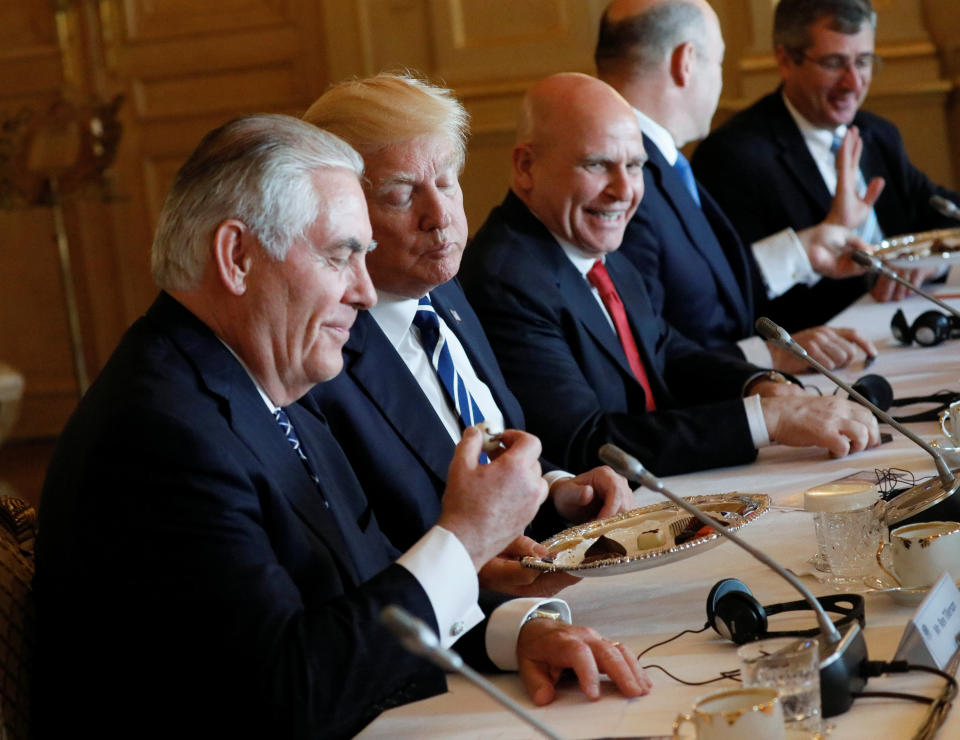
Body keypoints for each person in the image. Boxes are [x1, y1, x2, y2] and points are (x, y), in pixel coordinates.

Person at [32, 114, 651, 740]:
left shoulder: (263, 381)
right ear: (237, 256)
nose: (363, 290)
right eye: (341, 257)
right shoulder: (157, 433)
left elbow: (364, 589)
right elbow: (288, 693)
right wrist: (466, 539)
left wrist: (514, 630)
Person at [300, 73, 636, 597]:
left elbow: (491, 449)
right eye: (401, 194)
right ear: (342, 212)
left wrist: (558, 489)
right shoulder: (324, 355)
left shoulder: (444, 293)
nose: (440, 217)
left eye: (447, 182)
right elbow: (377, 548)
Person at [460, 72, 880, 477]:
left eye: (635, 165)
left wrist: (759, 385)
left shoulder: (590, 239)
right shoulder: (506, 278)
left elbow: (664, 352)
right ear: (526, 167)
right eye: (596, 165)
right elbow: (584, 444)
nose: (624, 190)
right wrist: (763, 420)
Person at [594, 0, 877, 373]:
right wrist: (769, 355)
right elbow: (648, 348)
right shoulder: (627, 177)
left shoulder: (659, 160)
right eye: (720, 62)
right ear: (687, 62)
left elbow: (694, 290)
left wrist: (801, 253)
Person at [692, 0, 960, 328]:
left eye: (863, 62)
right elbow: (735, 291)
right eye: (834, 63)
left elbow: (946, 214)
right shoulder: (732, 156)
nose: (853, 83)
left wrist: (932, 261)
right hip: (820, 352)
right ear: (785, 60)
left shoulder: (877, 134)